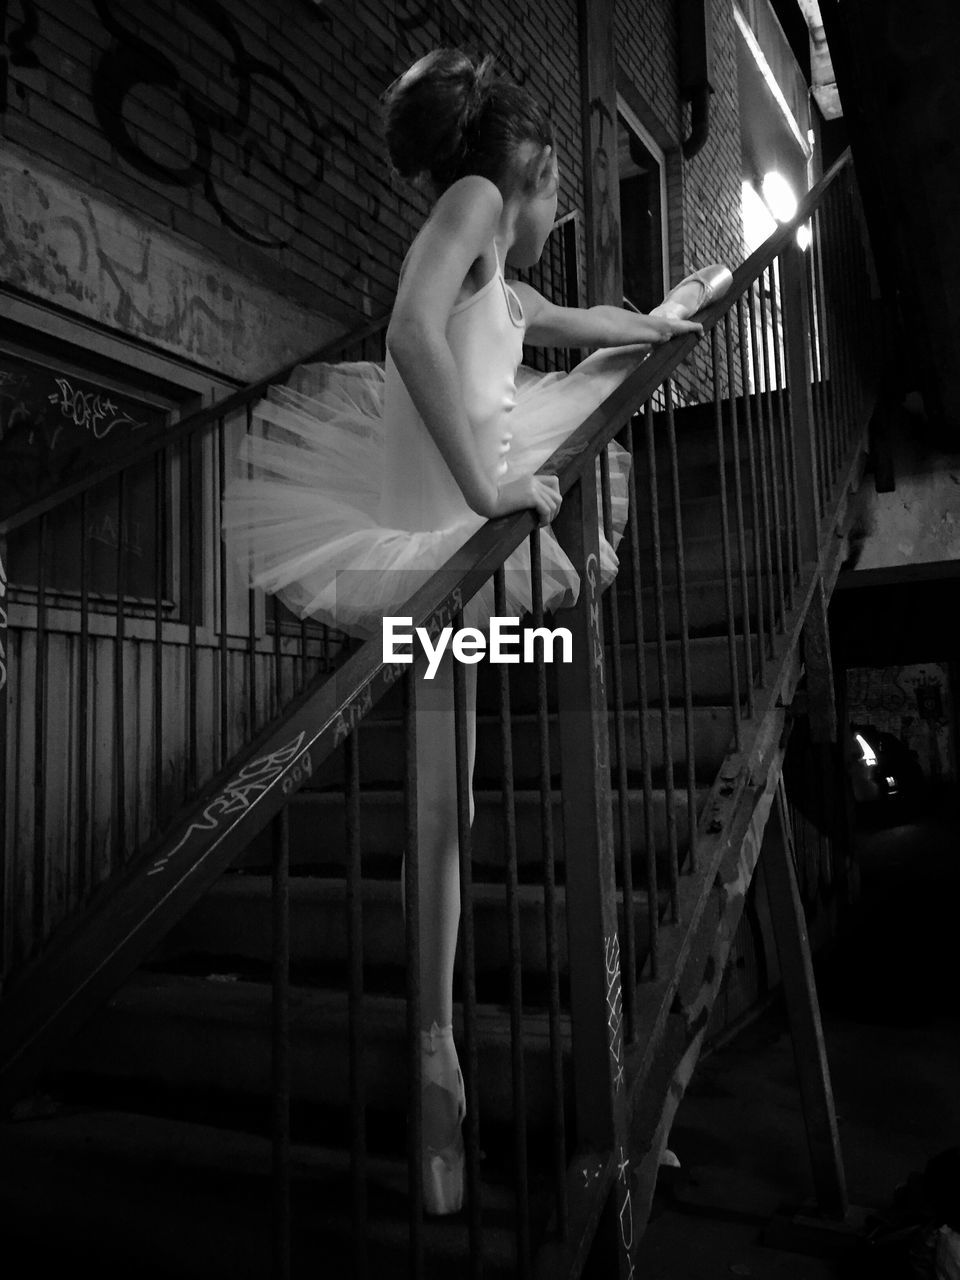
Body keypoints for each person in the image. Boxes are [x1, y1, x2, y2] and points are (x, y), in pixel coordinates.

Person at [223, 48, 726, 1215]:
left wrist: (664, 315)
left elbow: (579, 321)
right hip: (438, 529)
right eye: (558, 195)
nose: (556, 217)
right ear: (529, 175)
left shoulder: (501, 283)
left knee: (447, 797)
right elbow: (405, 331)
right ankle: (437, 1055)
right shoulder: (478, 202)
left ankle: (438, 1053)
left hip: (455, 525)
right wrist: (491, 494)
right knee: (442, 799)